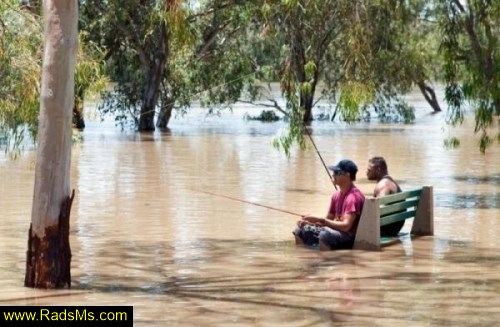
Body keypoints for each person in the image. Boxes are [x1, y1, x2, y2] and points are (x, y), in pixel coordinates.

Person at [293, 159, 365, 251]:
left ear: (347, 174)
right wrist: (311, 222)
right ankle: (306, 260)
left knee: (325, 235)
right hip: (338, 233)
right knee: (300, 230)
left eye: (337, 172)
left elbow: (346, 226)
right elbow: (328, 219)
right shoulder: (336, 195)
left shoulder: (353, 197)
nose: (333, 175)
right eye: (333, 172)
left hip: (350, 237)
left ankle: (326, 262)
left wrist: (321, 220)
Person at [366, 156, 404, 236]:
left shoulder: (383, 185)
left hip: (386, 229)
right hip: (395, 226)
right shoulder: (390, 181)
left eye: (369, 170)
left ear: (378, 170)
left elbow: (380, 210)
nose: (366, 172)